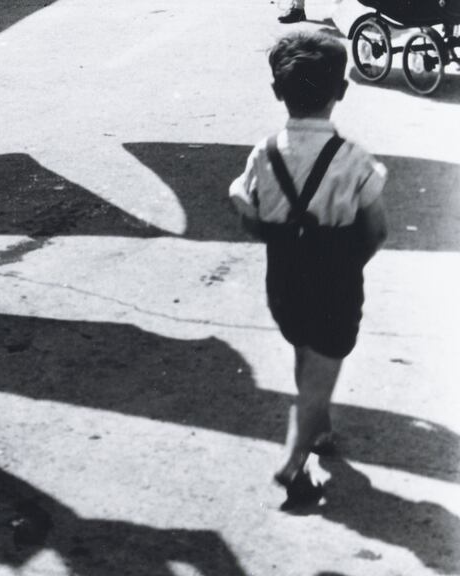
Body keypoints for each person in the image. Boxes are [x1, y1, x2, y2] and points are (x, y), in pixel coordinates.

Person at [229, 31, 388, 510]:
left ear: (278, 93)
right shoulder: (353, 158)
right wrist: (346, 260)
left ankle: (321, 431)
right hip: (336, 275)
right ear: (342, 92)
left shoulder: (264, 152)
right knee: (325, 364)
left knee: (305, 347)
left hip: (283, 274)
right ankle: (293, 460)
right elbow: (377, 230)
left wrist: (270, 228)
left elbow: (246, 209)